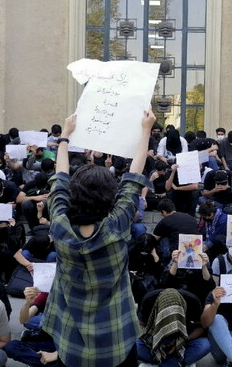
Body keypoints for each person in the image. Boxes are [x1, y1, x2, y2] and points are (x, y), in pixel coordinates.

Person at [42, 110, 154, 367]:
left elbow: (59, 179)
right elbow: (133, 179)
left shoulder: (60, 224)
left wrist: (65, 136)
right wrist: (146, 130)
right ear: (110, 196)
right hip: (116, 338)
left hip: (71, 341)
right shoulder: (116, 225)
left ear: (73, 194)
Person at [136, 288, 210, 367]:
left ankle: (160, 363)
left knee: (205, 345)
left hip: (183, 338)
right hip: (156, 338)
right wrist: (154, 341)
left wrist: (183, 340)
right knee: (132, 345)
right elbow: (141, 325)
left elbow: (201, 328)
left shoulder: (192, 301)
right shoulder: (149, 299)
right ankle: (176, 363)